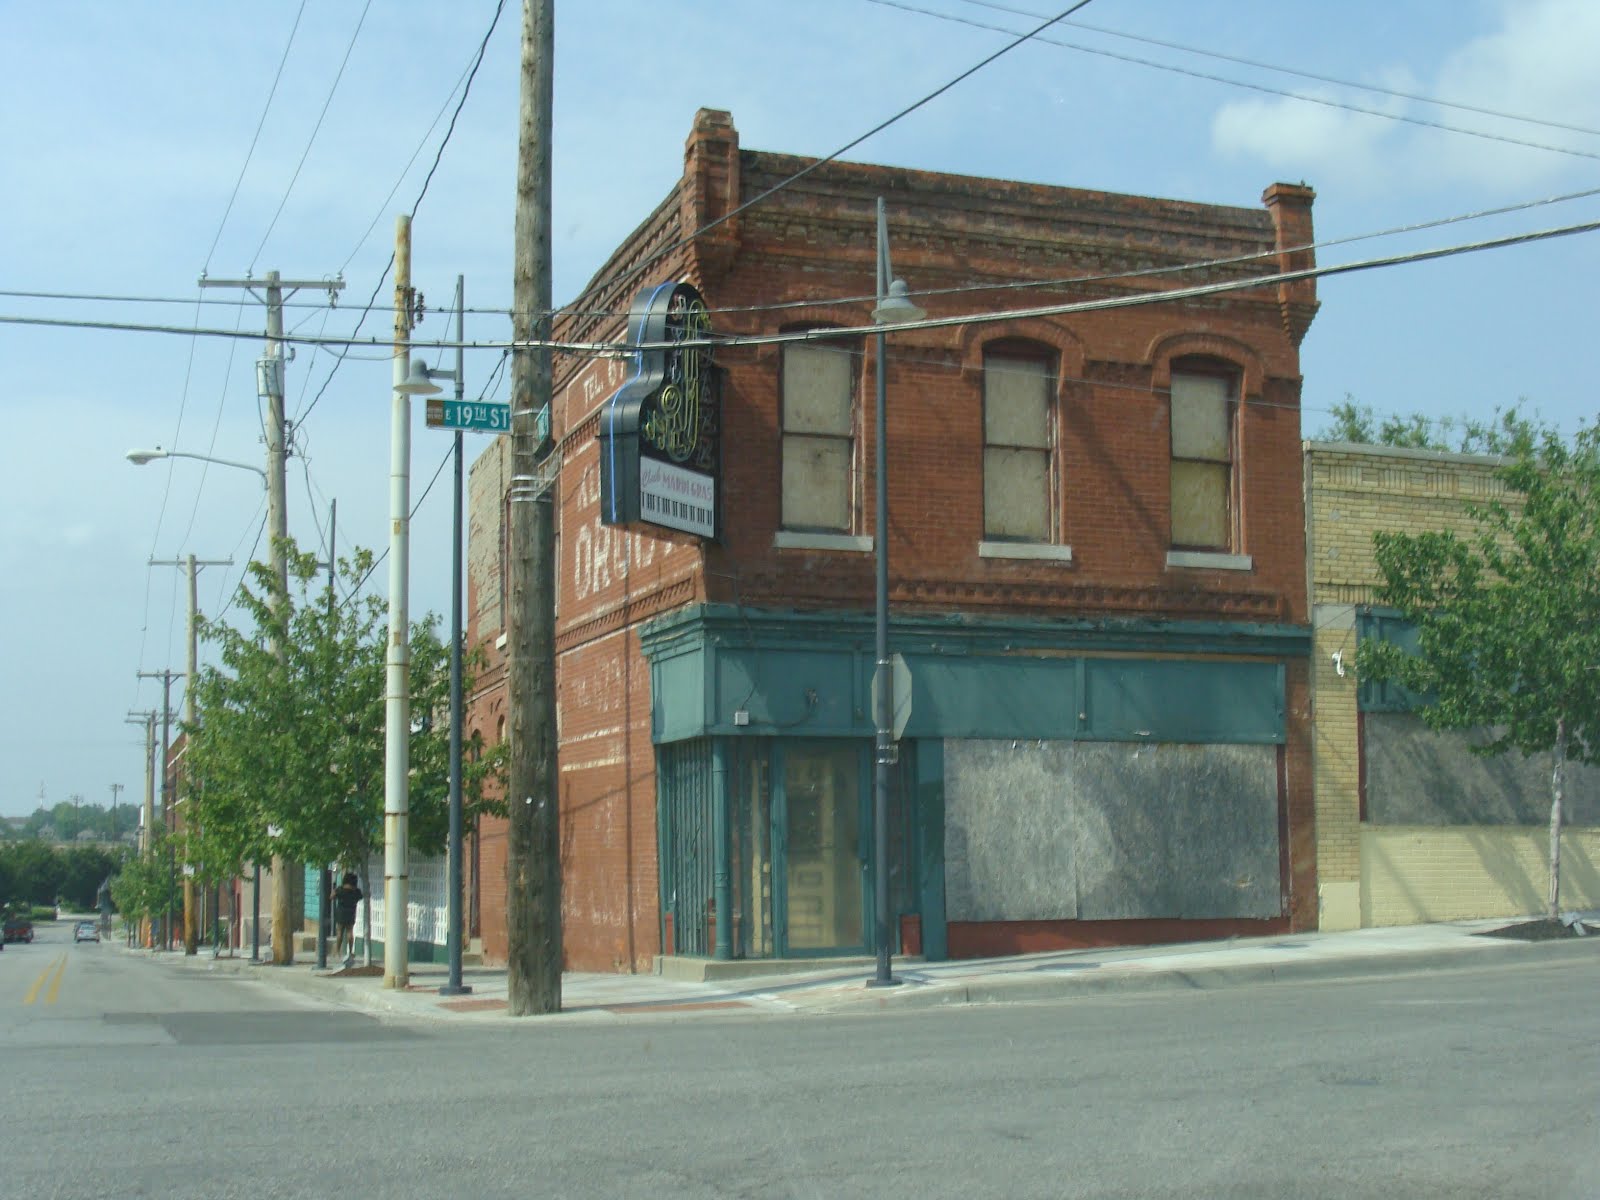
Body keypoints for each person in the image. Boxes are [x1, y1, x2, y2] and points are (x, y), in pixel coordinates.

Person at [332, 872, 363, 965]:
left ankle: (337, 951)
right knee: (350, 932)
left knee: (339, 933)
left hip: (341, 912)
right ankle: (350, 951)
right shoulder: (356, 891)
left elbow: (332, 896)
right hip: (351, 912)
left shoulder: (340, 889)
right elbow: (360, 897)